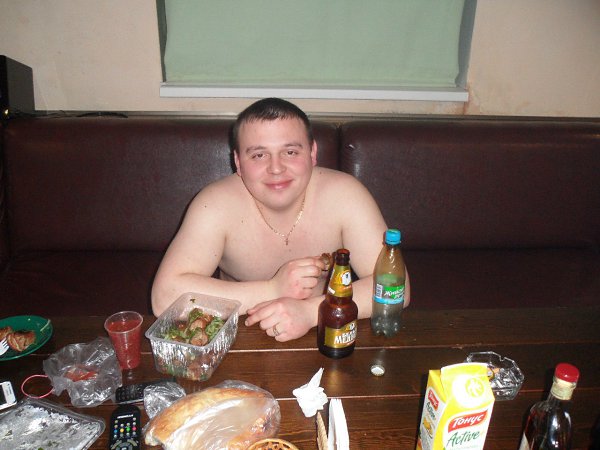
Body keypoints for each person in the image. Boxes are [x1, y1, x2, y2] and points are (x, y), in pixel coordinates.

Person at [151, 98, 410, 341]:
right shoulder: (214, 205)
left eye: (290, 152)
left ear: (312, 153)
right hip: (240, 334)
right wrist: (272, 290)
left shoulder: (346, 195)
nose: (276, 168)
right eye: (259, 155)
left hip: (326, 330)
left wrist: (312, 312)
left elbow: (398, 289)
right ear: (238, 162)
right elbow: (163, 298)